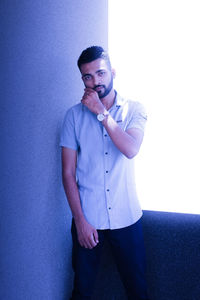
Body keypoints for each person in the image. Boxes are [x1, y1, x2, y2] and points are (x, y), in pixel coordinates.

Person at [60, 46, 149, 300]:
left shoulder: (134, 109)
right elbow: (68, 173)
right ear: (82, 79)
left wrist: (100, 112)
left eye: (100, 73)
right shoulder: (73, 117)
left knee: (137, 290)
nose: (95, 81)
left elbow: (131, 149)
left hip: (127, 219)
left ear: (112, 72)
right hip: (89, 220)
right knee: (82, 291)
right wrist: (80, 221)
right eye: (88, 76)